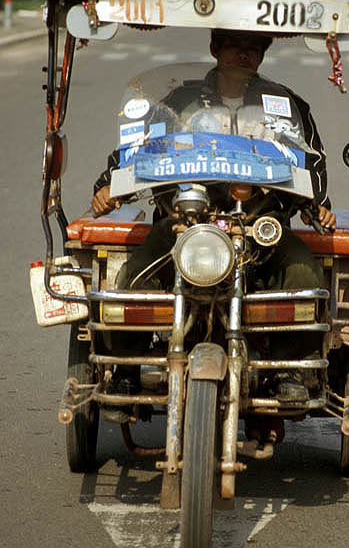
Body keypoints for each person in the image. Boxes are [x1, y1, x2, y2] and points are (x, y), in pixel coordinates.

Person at [92, 29, 336, 403]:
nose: (244, 55)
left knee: (304, 274)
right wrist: (107, 185)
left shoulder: (285, 105)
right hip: (183, 223)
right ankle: (125, 366)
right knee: (132, 277)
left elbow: (310, 160)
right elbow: (139, 147)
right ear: (215, 49)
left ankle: (289, 369)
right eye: (236, 46)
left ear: (261, 55)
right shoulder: (179, 101)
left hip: (259, 224)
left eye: (253, 49)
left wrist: (318, 202)